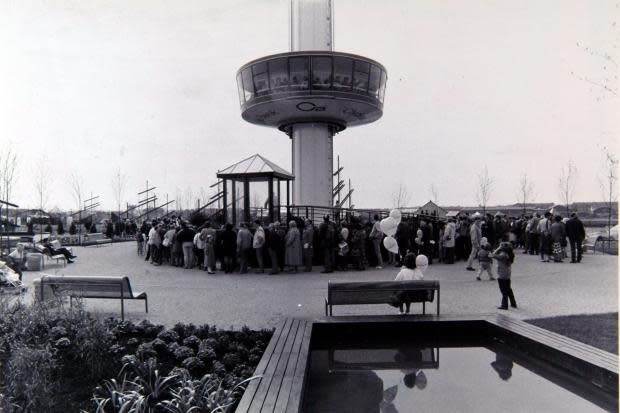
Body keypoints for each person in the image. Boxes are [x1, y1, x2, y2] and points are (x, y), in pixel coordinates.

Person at [494, 242, 517, 310]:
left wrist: (498, 248)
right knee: (508, 289)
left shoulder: (502, 255)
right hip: (507, 273)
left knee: (503, 290)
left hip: (501, 274)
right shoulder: (510, 254)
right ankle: (513, 303)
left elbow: (491, 255)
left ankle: (504, 305)